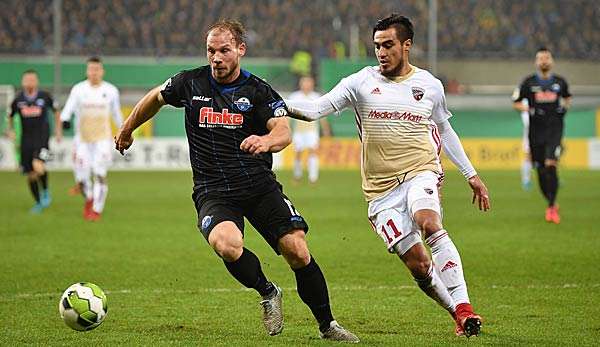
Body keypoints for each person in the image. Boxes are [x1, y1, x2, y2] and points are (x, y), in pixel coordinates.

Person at [114, 20, 358, 342]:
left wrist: (266, 141)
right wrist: (128, 128)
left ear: (240, 50)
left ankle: (327, 325)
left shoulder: (258, 91)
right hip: (213, 191)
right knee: (226, 245)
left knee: (296, 249)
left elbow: (283, 131)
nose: (216, 58)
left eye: (224, 50)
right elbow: (155, 97)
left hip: (258, 185)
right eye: (211, 51)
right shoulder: (191, 82)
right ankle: (268, 291)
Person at [285, 14, 490, 338]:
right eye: (377, 45)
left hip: (420, 171)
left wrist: (471, 174)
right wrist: (269, 103)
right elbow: (313, 110)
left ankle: (465, 307)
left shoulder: (429, 86)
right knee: (419, 264)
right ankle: (457, 315)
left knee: (429, 222)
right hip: (380, 192)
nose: (381, 51)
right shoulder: (360, 83)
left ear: (406, 45)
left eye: (388, 45)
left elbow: (444, 128)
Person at [59, 56, 123, 221]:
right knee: (81, 176)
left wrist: (124, 130)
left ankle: (96, 209)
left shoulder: (110, 91)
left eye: (97, 69)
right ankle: (89, 197)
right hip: (82, 140)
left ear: (102, 71)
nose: (94, 72)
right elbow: (68, 108)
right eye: (91, 69)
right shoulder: (78, 90)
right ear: (87, 71)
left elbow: (116, 114)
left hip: (102, 140)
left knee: (99, 173)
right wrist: (65, 119)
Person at [513, 47, 571, 224]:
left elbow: (567, 98)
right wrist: (529, 109)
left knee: (551, 164)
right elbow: (516, 102)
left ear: (551, 61)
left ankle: (552, 207)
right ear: (536, 62)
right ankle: (551, 202)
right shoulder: (528, 83)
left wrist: (564, 108)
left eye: (547, 58)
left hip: (554, 128)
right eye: (541, 58)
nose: (544, 61)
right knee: (540, 169)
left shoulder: (560, 82)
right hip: (535, 130)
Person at [6, 69, 59, 213]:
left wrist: (58, 131)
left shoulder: (45, 96)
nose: (29, 82)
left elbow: (56, 112)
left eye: (32, 79)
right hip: (26, 141)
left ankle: (46, 191)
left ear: (37, 81)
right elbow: (9, 115)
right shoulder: (18, 99)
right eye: (27, 80)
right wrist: (10, 130)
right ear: (23, 82)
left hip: (42, 139)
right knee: (30, 175)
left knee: (38, 166)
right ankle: (38, 202)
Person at [288, 76, 331, 183]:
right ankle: (297, 176)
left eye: (308, 82)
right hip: (299, 130)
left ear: (312, 84)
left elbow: (322, 114)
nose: (306, 85)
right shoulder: (294, 96)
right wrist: (287, 127)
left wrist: (326, 129)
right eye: (304, 82)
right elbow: (288, 114)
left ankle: (313, 177)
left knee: (313, 151)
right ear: (300, 84)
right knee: (298, 153)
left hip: (312, 130)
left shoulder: (316, 97)